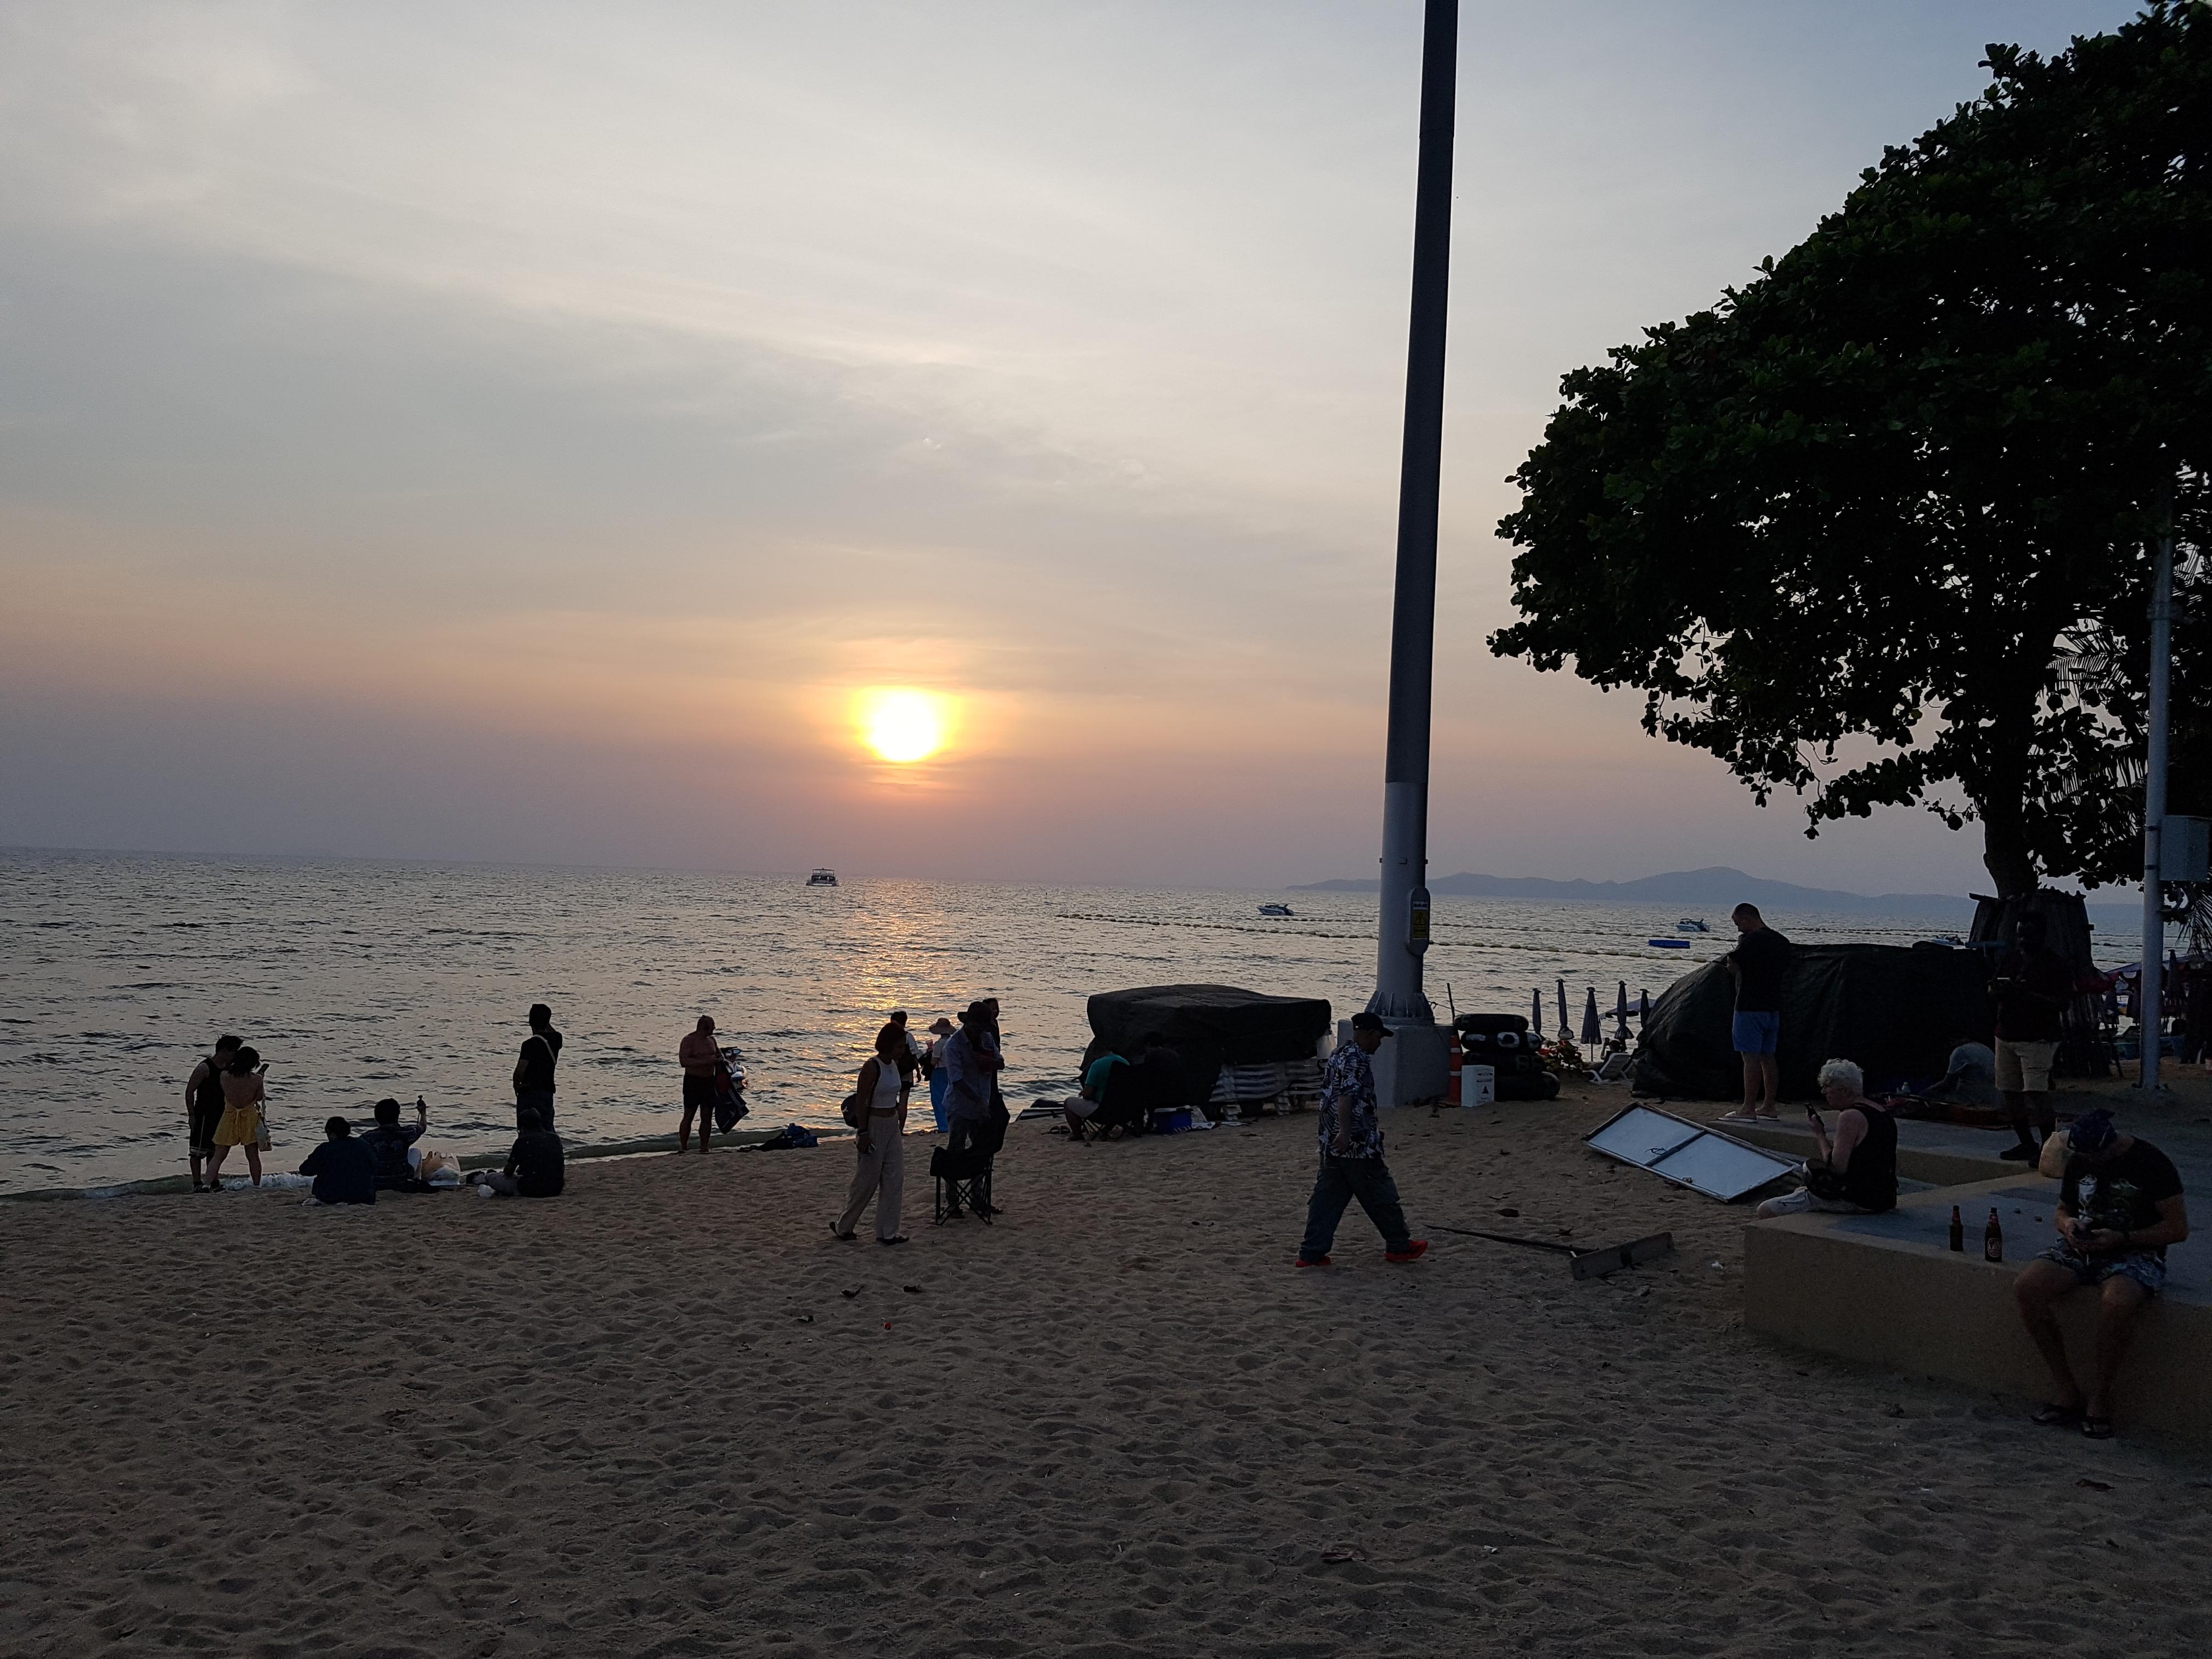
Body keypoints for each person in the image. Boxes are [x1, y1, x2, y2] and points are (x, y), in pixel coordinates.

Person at [2012, 1108, 2189, 1438]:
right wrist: (2069, 1227)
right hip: (2084, 1244)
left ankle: (2100, 1397)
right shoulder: (2081, 1159)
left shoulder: (2152, 1163)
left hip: (2134, 1248)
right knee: (2028, 1287)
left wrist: (2124, 1238)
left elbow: (2178, 1228)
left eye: (2096, 1157)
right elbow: (2064, 1209)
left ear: (2111, 1146)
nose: (2089, 1163)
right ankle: (2066, 1389)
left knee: (2119, 1301)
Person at [1295, 1014, 1428, 1268]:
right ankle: (1399, 1245)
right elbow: (1347, 1097)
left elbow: (1333, 1096)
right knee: (1380, 1192)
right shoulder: (1357, 1060)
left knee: (1327, 1199)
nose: (1380, 1042)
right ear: (1368, 1034)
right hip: (1355, 1144)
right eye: (1379, 1037)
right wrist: (1347, 1133)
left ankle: (1311, 1252)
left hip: (1329, 1139)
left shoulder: (1339, 1054)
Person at [1753, 1059, 1898, 1218]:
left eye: (1828, 1086)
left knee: (1766, 1209)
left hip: (1858, 1199)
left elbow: (1837, 1167)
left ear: (1845, 1090)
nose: (1824, 1092)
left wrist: (1820, 1134)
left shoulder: (1850, 1116)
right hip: (1884, 1197)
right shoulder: (1881, 1111)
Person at [1994, 913, 2073, 1162]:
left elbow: (2061, 1003)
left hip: (2037, 1038)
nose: (2023, 940)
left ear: (2042, 937)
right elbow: (1994, 988)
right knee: (2010, 1091)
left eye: (2028, 935)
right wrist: (1998, 990)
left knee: (2036, 1093)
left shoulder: (2055, 965)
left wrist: (2024, 995)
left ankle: (2048, 1149)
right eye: (2020, 935)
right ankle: (2027, 1144)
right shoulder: (2011, 959)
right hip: (2007, 1034)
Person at [831, 1039, 909, 1244]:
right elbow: (862, 1101)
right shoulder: (871, 1067)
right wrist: (863, 1132)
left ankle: (887, 1232)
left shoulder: (895, 1065)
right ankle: (844, 1225)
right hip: (874, 1124)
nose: (902, 1050)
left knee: (894, 1178)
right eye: (899, 1046)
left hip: (891, 1123)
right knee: (867, 1180)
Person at [1718, 904, 1790, 1124]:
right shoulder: (1781, 941)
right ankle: (1769, 1106)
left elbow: (1733, 964)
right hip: (1772, 1007)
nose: (1738, 928)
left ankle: (1748, 1108)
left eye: (1738, 923)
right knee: (1768, 1057)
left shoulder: (1752, 939)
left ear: (1748, 918)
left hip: (1749, 1007)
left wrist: (1737, 954)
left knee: (1750, 1058)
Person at [183, 1034, 242, 1192]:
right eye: (233, 1052)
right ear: (224, 1051)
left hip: (222, 1115)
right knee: (197, 1151)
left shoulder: (229, 1069)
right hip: (203, 1115)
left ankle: (213, 1181)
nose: (235, 1055)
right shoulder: (205, 1067)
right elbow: (190, 1091)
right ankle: (197, 1183)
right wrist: (191, 1115)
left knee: (214, 1151)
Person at [205, 1045, 267, 1190]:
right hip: (249, 1116)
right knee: (252, 1156)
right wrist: (262, 1076)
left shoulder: (224, 1076)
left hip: (229, 1115)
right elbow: (258, 1097)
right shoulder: (256, 1079)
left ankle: (207, 1184)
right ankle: (257, 1185)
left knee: (219, 1156)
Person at [475, 1108, 566, 1198]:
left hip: (530, 1189)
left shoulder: (523, 1141)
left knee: (491, 1177)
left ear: (523, 1127)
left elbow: (508, 1172)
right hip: (556, 1188)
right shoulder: (555, 1138)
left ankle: (483, 1178)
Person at [300, 1116, 376, 1207]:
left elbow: (305, 1170)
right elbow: (375, 1165)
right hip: (364, 1195)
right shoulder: (363, 1144)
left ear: (330, 1132)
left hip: (332, 1196)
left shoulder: (325, 1149)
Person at [1063, 1041, 1133, 1139]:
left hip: (1103, 1112)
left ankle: (1077, 1134)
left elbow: (1088, 1094)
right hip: (1125, 1110)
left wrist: (1084, 1093)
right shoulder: (1125, 1062)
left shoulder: (1098, 1065)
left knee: (1069, 1102)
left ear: (1095, 1052)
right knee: (1112, 1100)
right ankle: (1106, 1130)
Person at [360, 1096, 429, 1191]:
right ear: (398, 1115)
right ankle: (416, 1179)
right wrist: (423, 1113)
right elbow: (422, 1127)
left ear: (376, 1117)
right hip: (400, 1180)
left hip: (378, 1182)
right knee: (415, 1151)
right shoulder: (406, 1133)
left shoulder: (368, 1137)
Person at [513, 1002, 563, 1131]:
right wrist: (546, 1021)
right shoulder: (556, 1040)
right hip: (546, 1092)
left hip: (528, 1093)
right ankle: (551, 1149)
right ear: (548, 1022)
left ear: (530, 1022)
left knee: (526, 1128)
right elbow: (553, 1032)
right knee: (547, 1127)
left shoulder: (529, 1045)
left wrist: (517, 1087)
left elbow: (520, 1071)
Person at [678, 1015, 722, 1154]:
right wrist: (707, 1061)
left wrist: (723, 1060)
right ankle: (684, 1147)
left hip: (709, 1081)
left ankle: (704, 1147)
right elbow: (684, 1061)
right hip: (693, 1081)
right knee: (689, 1115)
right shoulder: (689, 1040)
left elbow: (719, 1055)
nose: (714, 1028)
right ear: (704, 1027)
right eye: (712, 1026)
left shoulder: (712, 1040)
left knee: (707, 1115)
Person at [1925, 1036, 1998, 1111]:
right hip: (1992, 1097)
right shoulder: (1984, 1048)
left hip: (1973, 1099)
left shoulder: (1961, 1051)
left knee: (1928, 1095)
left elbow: (1948, 1083)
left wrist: (1927, 1090)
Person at [922, 1016, 957, 1132]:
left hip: (939, 1072)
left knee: (939, 1100)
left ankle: (943, 1126)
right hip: (951, 1071)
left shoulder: (940, 1044)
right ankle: (952, 1124)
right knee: (951, 1099)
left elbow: (934, 1061)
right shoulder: (953, 1042)